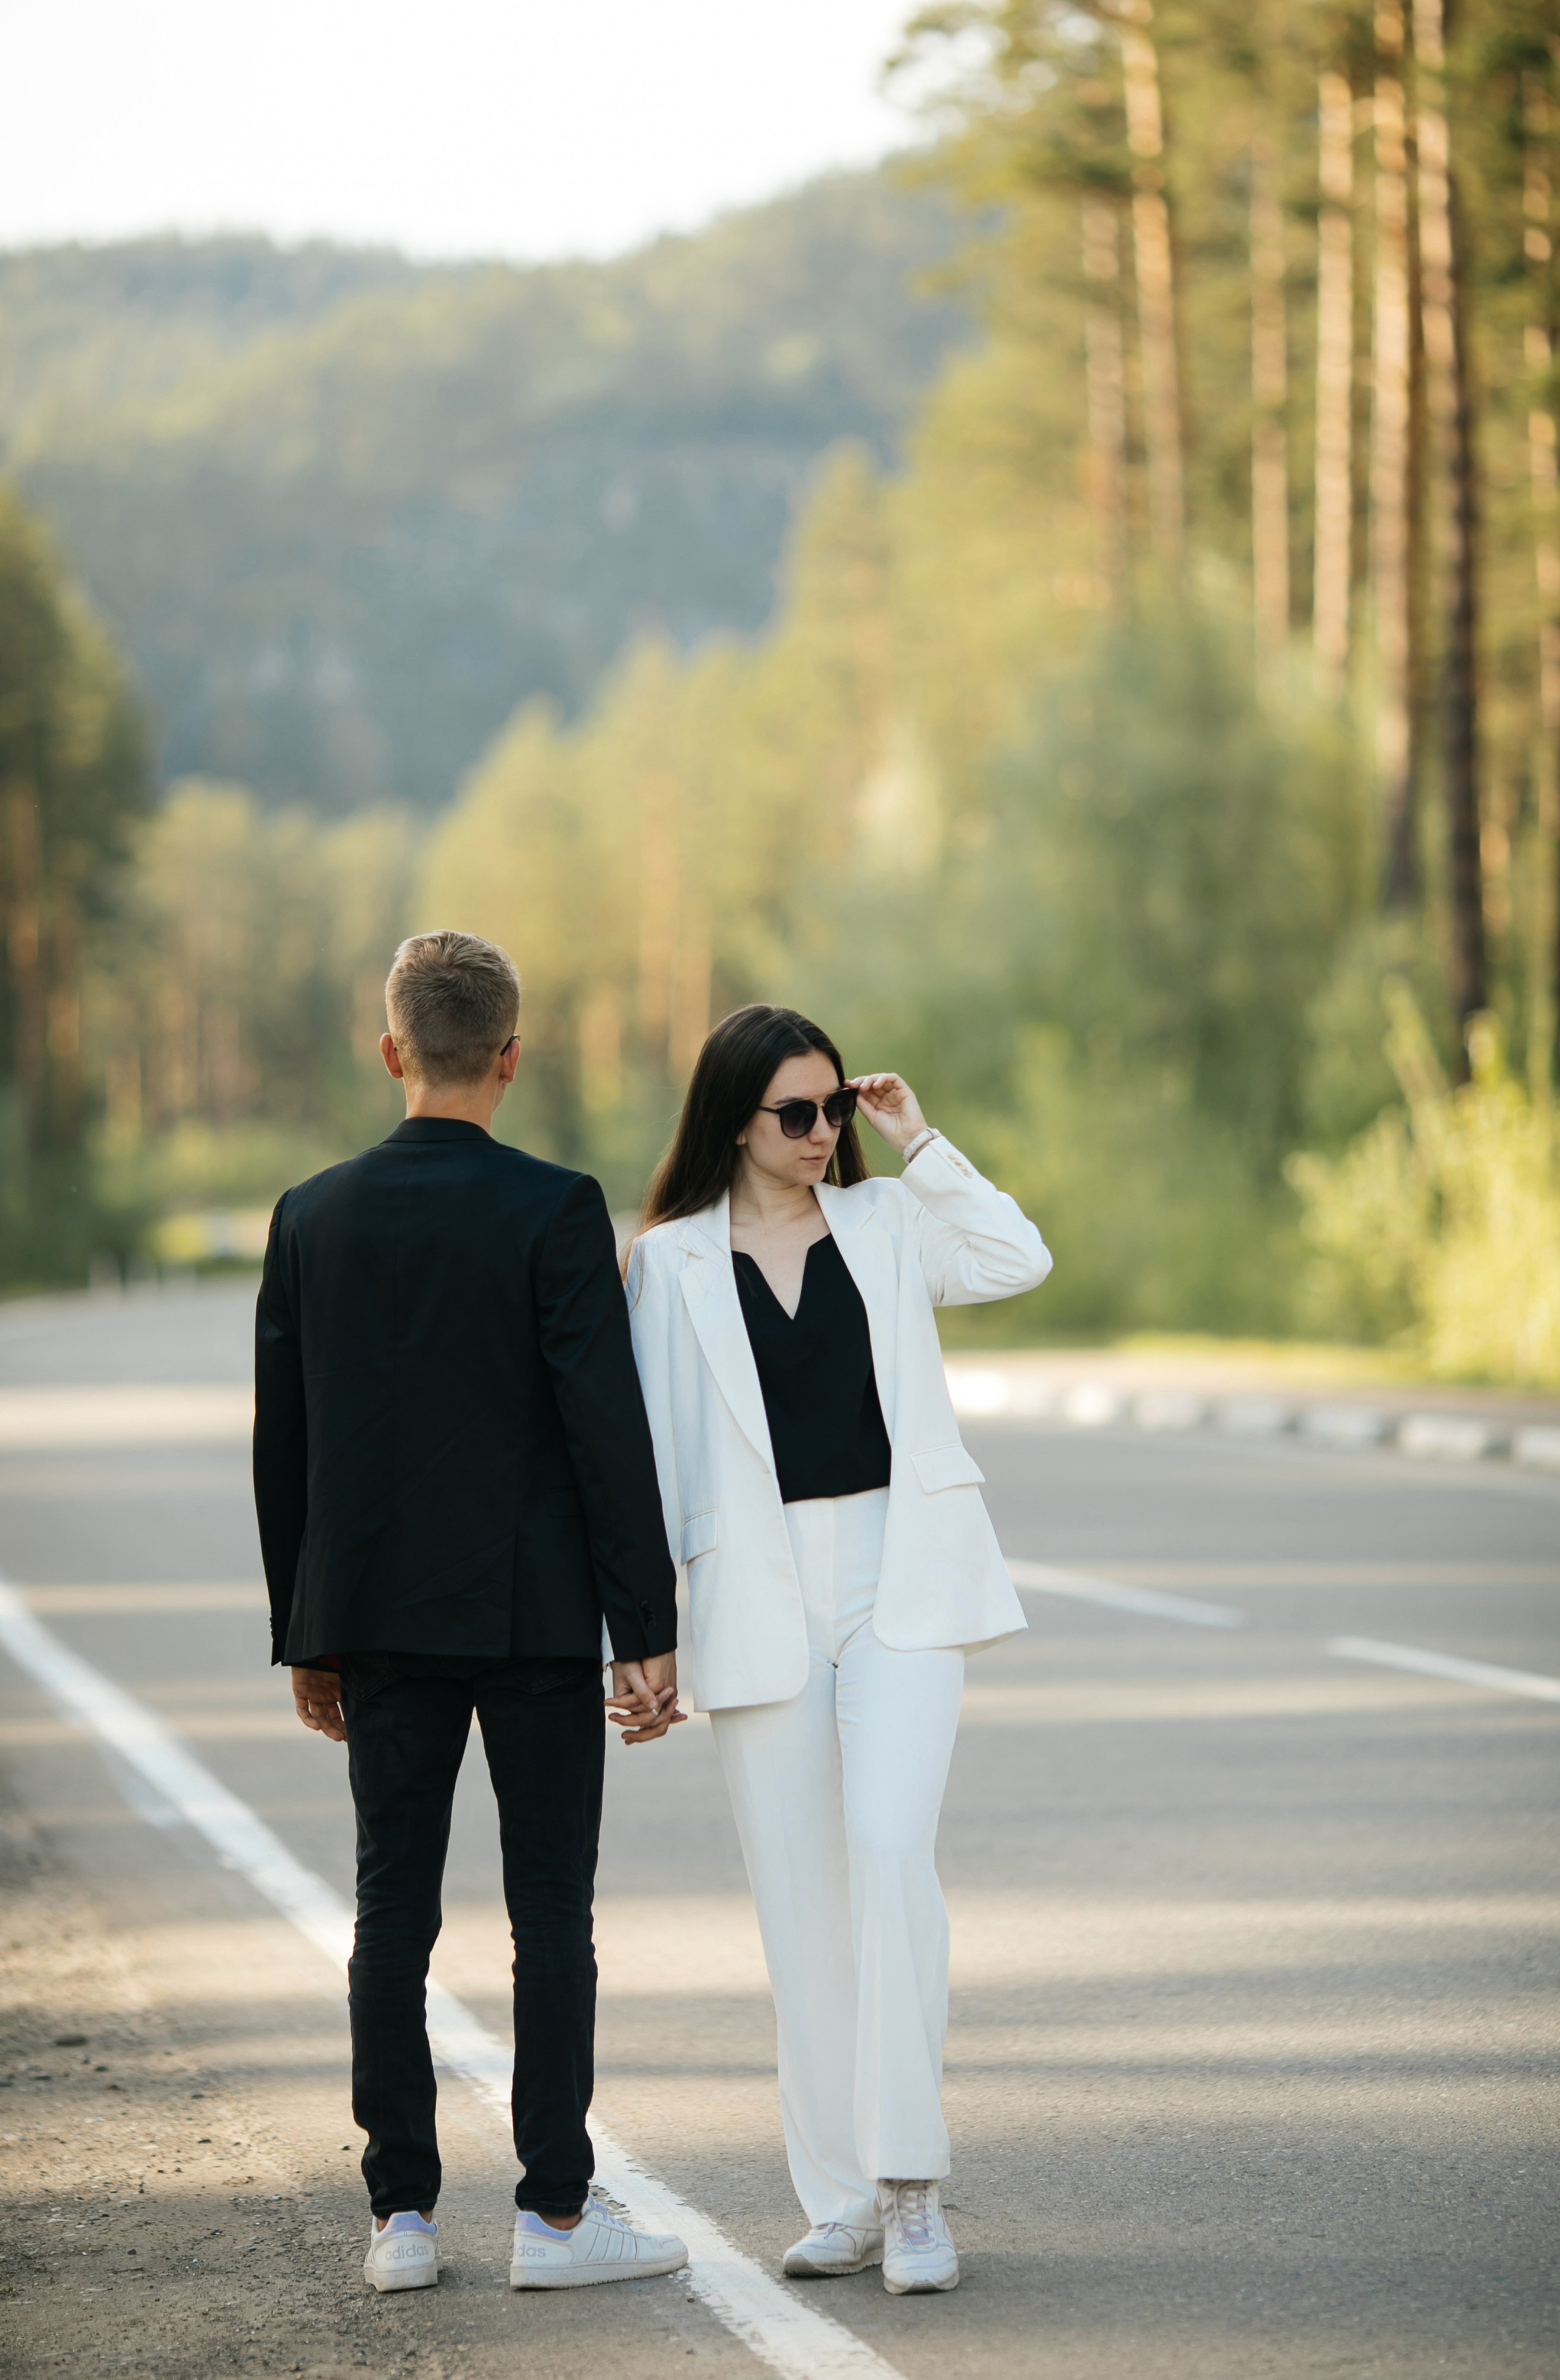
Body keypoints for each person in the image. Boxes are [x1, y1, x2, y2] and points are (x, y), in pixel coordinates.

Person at [253, 929, 689, 2296]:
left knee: (393, 1909)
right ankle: (557, 2218)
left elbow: (289, 1446)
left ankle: (402, 2222)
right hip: (534, 1617)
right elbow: (602, 1433)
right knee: (550, 1911)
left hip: (375, 1616)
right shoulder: (556, 1208)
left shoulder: (309, 1214)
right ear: (512, 1053)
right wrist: (646, 1624)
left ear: (390, 1051)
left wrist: (303, 1635)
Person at [625, 1004, 1050, 2296]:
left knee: (885, 1850)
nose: (819, 1135)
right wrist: (632, 1638)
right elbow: (638, 1463)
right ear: (731, 1121)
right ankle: (840, 2199)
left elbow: (1015, 1257)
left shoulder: (885, 1222)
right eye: (793, 1115)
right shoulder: (666, 1265)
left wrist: (917, 1142)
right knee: (801, 1907)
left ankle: (913, 2188)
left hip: (899, 1584)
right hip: (752, 1598)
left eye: (829, 1110)